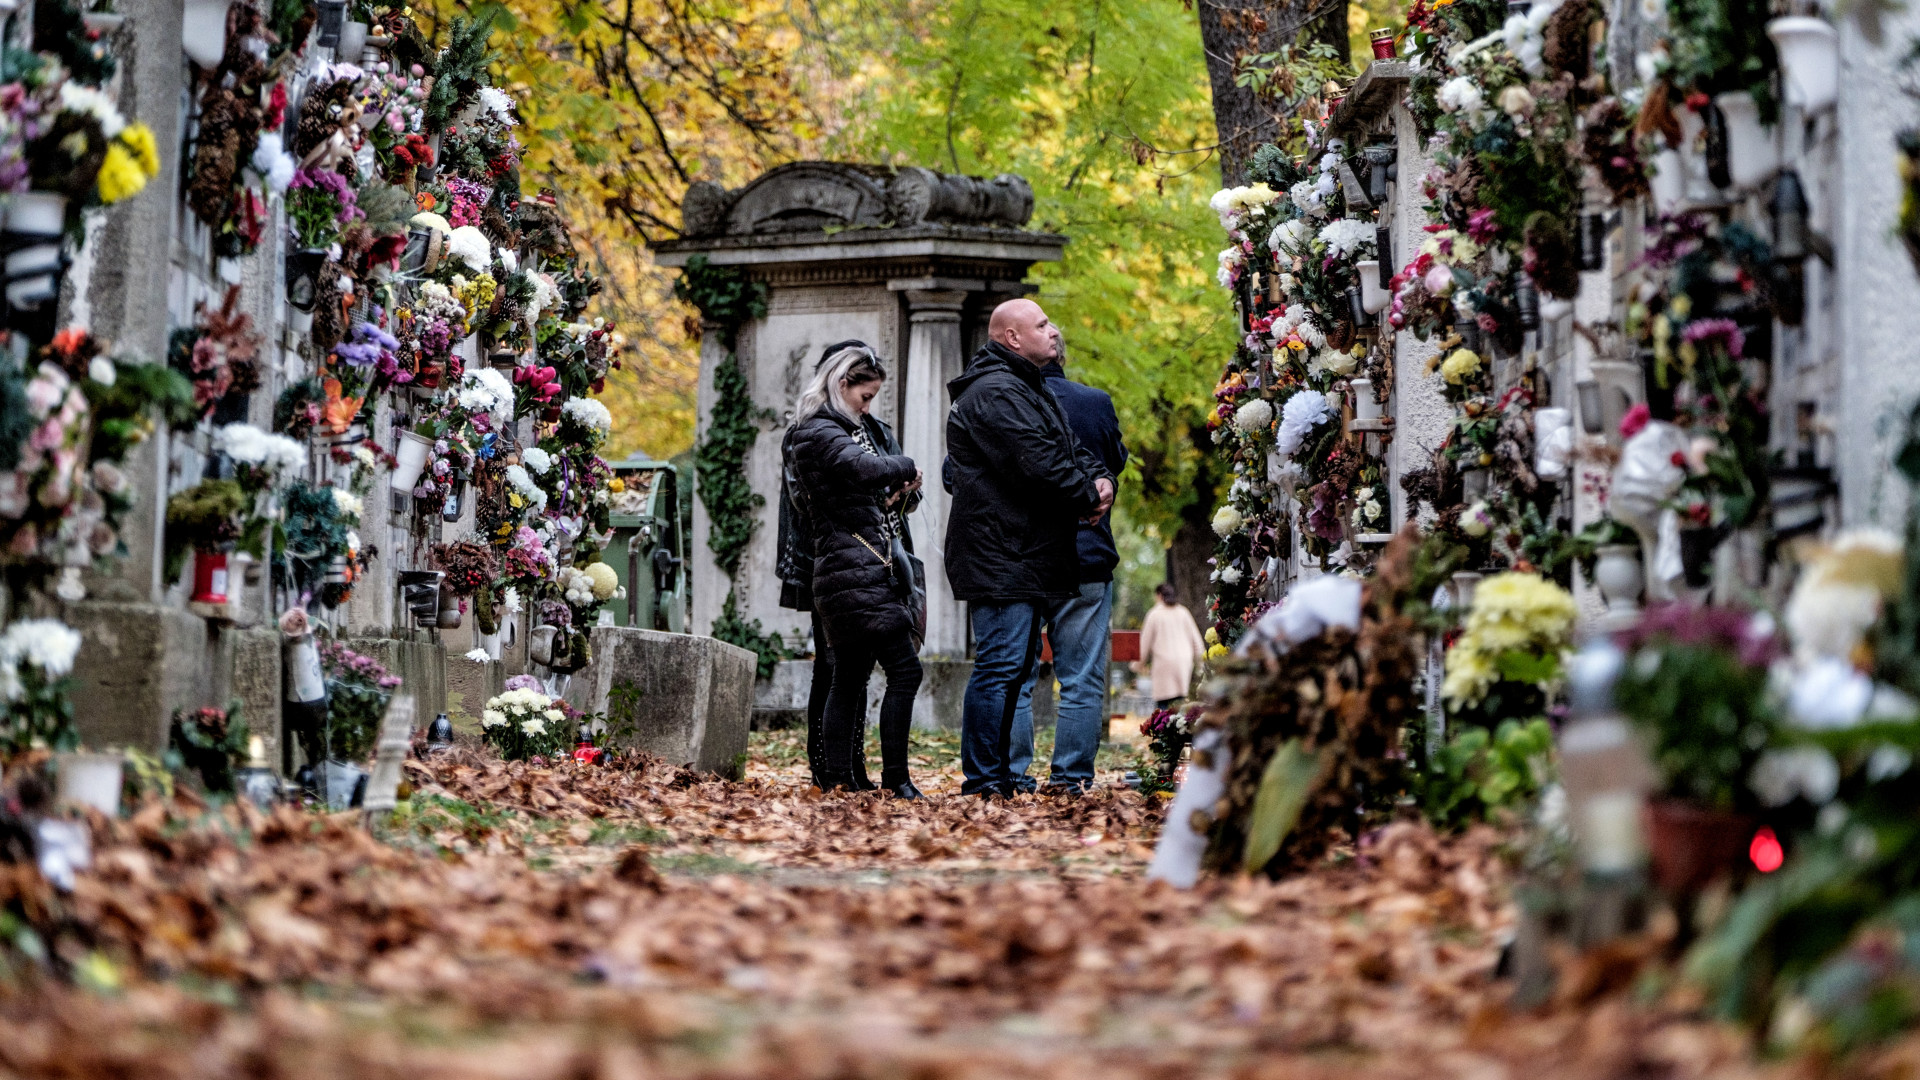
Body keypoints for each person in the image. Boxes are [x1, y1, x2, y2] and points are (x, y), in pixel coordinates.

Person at [946, 298, 1114, 798]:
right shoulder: (996, 392)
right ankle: (985, 780)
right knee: (1000, 667)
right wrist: (1087, 495)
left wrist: (1101, 481)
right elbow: (1036, 462)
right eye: (1041, 325)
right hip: (1001, 554)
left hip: (1023, 552)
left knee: (1014, 667)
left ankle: (998, 778)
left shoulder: (1025, 386)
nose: (1052, 332)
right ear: (1012, 338)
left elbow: (1072, 451)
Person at [782, 343, 926, 797]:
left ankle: (842, 780)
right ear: (842, 383)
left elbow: (848, 497)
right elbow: (862, 468)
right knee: (904, 671)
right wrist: (905, 464)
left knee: (849, 675)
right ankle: (895, 779)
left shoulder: (824, 429)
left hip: (848, 566)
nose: (868, 407)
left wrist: (891, 495)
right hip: (853, 569)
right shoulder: (822, 430)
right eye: (865, 396)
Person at [1006, 332, 1128, 794]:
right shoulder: (1095, 403)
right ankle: (1071, 778)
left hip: (1021, 557)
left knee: (1015, 676)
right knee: (1080, 677)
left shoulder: (1001, 406)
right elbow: (1112, 463)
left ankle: (1013, 776)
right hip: (1086, 554)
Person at [1138, 582, 1207, 709]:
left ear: (1159, 595)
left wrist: (1137, 665)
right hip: (1184, 663)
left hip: (1163, 664)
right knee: (1181, 704)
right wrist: (1201, 665)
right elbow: (1196, 641)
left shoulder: (1154, 614)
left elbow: (1144, 643)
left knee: (1163, 704)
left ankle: (1164, 727)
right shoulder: (1183, 612)